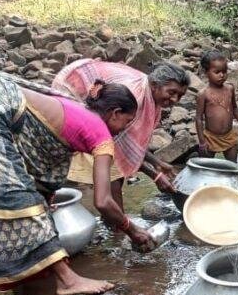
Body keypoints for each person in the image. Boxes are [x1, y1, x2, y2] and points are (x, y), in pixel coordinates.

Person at [0, 69, 156, 295]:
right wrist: (132, 229)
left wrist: (45, 198)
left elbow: (27, 157)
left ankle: (18, 268)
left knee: (7, 196)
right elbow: (103, 202)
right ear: (115, 113)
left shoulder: (76, 110)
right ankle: (68, 280)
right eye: (126, 123)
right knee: (17, 199)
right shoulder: (101, 135)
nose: (123, 130)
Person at [53, 59, 189, 210]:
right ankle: (116, 223)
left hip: (94, 94)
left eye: (180, 96)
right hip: (71, 89)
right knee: (110, 167)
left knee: (112, 170)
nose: (175, 99)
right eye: (172, 92)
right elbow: (117, 142)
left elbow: (131, 142)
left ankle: (113, 219)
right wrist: (154, 175)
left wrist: (157, 163)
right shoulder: (134, 96)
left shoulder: (151, 98)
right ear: (155, 85)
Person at [196, 50, 238, 161]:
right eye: (217, 72)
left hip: (228, 136)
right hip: (210, 137)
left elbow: (235, 109)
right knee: (205, 167)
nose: (222, 75)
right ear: (205, 72)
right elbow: (199, 118)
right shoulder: (203, 94)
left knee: (232, 166)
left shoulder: (230, 89)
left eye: (224, 71)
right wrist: (202, 141)